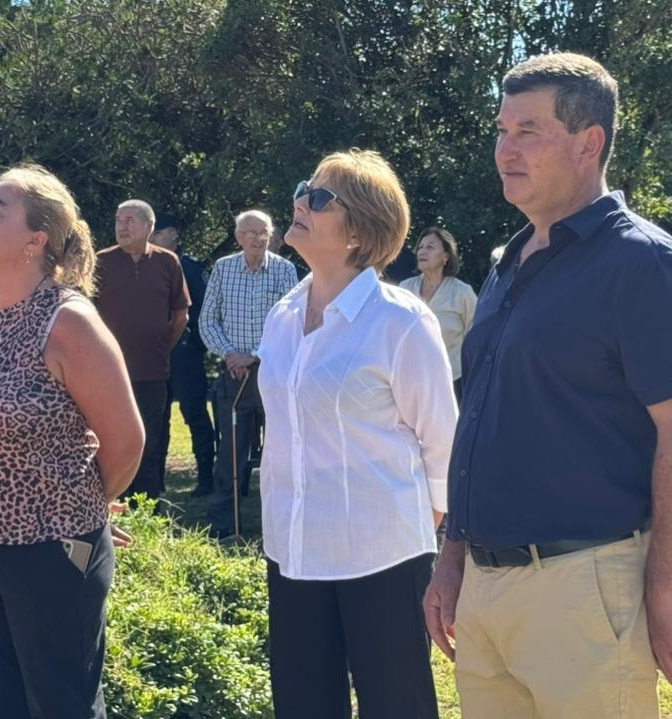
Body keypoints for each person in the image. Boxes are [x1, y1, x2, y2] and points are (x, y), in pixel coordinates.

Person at [422, 53, 672, 718]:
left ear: (590, 143)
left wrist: (664, 594)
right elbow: (482, 419)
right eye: (502, 131)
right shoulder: (510, 261)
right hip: (484, 591)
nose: (506, 150)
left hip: (582, 588)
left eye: (528, 131)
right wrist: (453, 558)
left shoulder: (641, 261)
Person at [0, 163, 143, 719]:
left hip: (51, 549)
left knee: (61, 706)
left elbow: (126, 439)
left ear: (36, 239)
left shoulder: (68, 322)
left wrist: (83, 507)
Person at [260, 150, 456, 718]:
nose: (301, 202)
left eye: (320, 198)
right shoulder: (282, 316)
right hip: (293, 551)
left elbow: (442, 445)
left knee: (397, 706)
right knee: (302, 706)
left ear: (359, 233)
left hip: (382, 556)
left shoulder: (401, 321)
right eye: (304, 188)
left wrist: (417, 532)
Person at [198, 209, 298, 538]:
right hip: (234, 374)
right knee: (231, 450)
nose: (257, 238)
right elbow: (207, 320)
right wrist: (230, 354)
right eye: (251, 232)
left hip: (273, 371)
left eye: (263, 232)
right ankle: (224, 524)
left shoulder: (284, 270)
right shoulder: (223, 268)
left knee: (281, 448)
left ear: (273, 237)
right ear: (239, 237)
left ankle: (283, 523)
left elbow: (291, 323)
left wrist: (254, 355)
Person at [93, 200, 189, 502]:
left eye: (130, 220)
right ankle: (110, 505)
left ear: (149, 226)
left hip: (152, 370)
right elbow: (85, 313)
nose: (122, 226)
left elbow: (180, 315)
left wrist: (161, 347)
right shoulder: (101, 262)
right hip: (108, 374)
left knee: (149, 440)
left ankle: (146, 508)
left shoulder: (168, 262)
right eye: (118, 220)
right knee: (109, 440)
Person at [149, 214, 216, 497]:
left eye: (158, 232)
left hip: (184, 352)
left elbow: (208, 309)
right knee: (156, 416)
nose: (152, 238)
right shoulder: (146, 265)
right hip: (153, 352)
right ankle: (155, 480)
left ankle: (206, 478)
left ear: (174, 233)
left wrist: (194, 342)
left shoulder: (189, 267)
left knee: (194, 412)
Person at [399, 227, 478, 400]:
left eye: (430, 247)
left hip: (454, 383)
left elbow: (477, 339)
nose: (422, 251)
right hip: (410, 381)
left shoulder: (462, 293)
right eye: (420, 247)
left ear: (445, 256)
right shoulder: (404, 290)